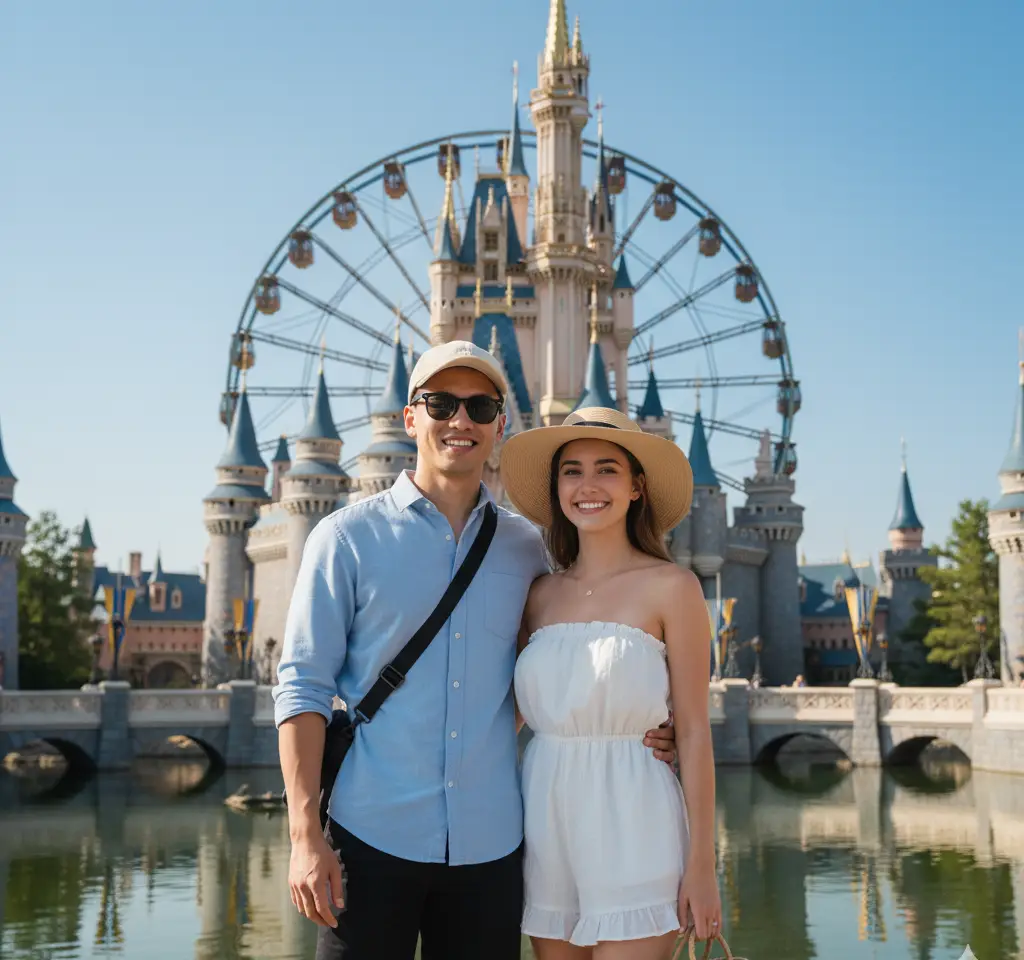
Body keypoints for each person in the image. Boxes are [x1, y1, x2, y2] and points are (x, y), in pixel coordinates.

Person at [271, 341, 678, 960]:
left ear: (499, 426)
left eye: (480, 406)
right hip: (369, 834)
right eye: (441, 403)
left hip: (490, 851)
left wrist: (645, 723)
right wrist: (305, 833)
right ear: (410, 417)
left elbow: (552, 669)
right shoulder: (346, 539)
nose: (460, 420)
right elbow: (301, 686)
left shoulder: (527, 551)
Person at [500, 405, 723, 958]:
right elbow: (506, 714)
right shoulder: (537, 595)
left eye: (607, 469)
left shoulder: (673, 587)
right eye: (571, 471)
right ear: (556, 490)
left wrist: (702, 866)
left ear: (637, 488)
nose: (588, 485)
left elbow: (693, 733)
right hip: (546, 821)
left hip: (637, 819)